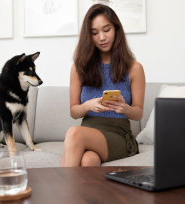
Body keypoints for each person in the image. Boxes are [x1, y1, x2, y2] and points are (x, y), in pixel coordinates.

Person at [60, 4, 146, 167]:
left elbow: (139, 113)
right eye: (94, 33)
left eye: (106, 30)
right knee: (88, 161)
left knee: (74, 133)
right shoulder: (79, 68)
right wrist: (87, 105)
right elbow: (74, 112)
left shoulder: (135, 68)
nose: (101, 37)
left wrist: (124, 108)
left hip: (119, 134)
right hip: (89, 131)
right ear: (88, 36)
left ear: (116, 29)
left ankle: (59, 189)